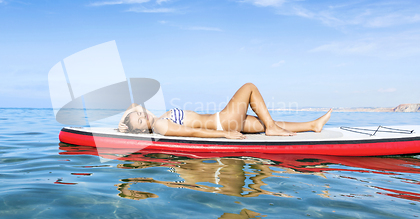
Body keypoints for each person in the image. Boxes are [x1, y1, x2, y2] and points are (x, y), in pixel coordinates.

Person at [118, 83, 332, 139]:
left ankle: (312, 125)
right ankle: (273, 130)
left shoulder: (154, 119)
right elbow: (192, 133)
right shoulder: (160, 124)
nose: (141, 114)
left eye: (140, 113)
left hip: (225, 121)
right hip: (224, 123)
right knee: (249, 87)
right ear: (142, 130)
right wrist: (224, 133)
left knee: (266, 123)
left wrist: (124, 121)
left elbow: (133, 106)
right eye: (139, 120)